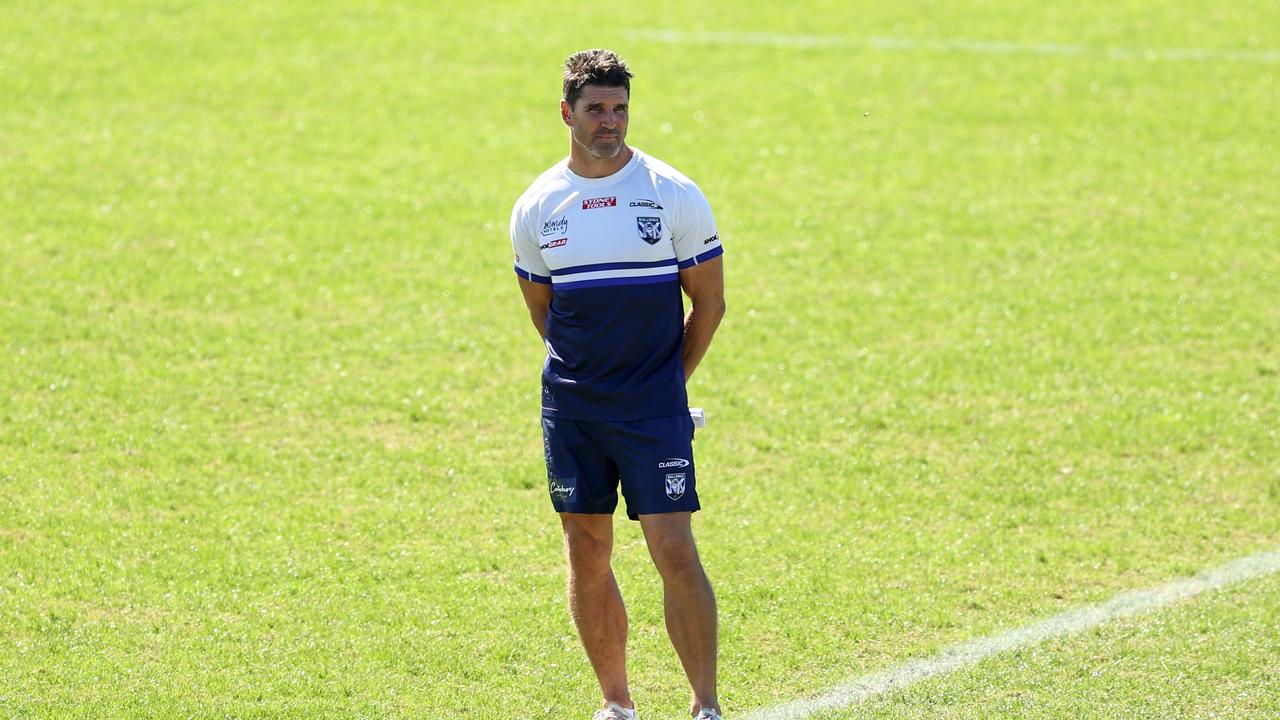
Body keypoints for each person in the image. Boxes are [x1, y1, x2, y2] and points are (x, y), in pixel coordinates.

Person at [510, 49, 727, 720]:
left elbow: (709, 305)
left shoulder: (671, 194)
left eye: (620, 109)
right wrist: (594, 382)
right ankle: (617, 703)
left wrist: (665, 384)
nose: (611, 122)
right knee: (585, 548)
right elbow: (545, 314)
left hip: (652, 411)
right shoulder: (537, 206)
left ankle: (705, 705)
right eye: (597, 109)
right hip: (574, 411)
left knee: (672, 547)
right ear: (567, 113)